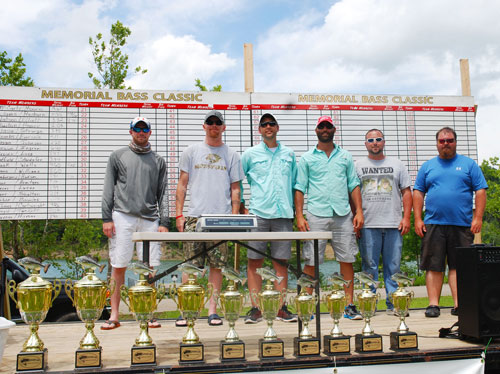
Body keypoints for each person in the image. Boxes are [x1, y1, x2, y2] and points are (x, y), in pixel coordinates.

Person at [175, 110, 243, 326]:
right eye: (210, 122)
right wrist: (179, 214)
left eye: (218, 123)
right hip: (195, 218)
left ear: (224, 127)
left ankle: (213, 311)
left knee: (217, 266)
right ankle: (188, 310)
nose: (214, 126)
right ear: (203, 126)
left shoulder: (232, 155)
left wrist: (234, 219)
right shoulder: (191, 151)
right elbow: (182, 185)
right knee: (190, 266)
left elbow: (235, 189)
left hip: (220, 219)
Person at [101, 117, 168, 330]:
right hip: (122, 216)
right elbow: (108, 189)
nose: (141, 132)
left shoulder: (158, 161)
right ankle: (114, 314)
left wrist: (164, 222)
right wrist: (106, 218)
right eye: (137, 128)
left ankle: (147, 313)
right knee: (118, 265)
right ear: (130, 131)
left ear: (150, 132)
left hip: (150, 219)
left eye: (144, 128)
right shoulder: (117, 156)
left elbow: (163, 194)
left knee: (150, 268)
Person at [294, 115, 364, 320]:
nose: (325, 129)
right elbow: (299, 187)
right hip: (316, 214)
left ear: (334, 129)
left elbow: (353, 184)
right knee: (311, 260)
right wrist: (299, 215)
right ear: (316, 131)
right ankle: (307, 306)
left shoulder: (345, 156)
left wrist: (359, 211)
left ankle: (349, 306)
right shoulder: (307, 158)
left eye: (328, 126)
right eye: (321, 126)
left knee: (347, 259)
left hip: (343, 214)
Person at [414, 126, 487, 318]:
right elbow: (418, 192)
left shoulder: (469, 165)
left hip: (462, 224)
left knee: (459, 266)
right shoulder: (427, 166)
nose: (446, 143)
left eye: (449, 140)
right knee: (433, 265)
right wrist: (418, 218)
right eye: (442, 141)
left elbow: (480, 191)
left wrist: (477, 217)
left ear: (455, 142)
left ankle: (459, 304)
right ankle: (433, 305)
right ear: (437, 143)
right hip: (433, 223)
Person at [241, 113, 298, 324]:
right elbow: (237, 179)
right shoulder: (249, 154)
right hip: (258, 214)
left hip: (283, 214)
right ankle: (255, 308)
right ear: (259, 130)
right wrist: (241, 207)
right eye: (264, 124)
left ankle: (281, 307)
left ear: (277, 127)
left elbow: (295, 185)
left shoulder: (290, 154)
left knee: (280, 262)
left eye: (271, 123)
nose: (268, 127)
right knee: (254, 261)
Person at [355, 129, 412, 315]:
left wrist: (406, 217)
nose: (375, 143)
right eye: (370, 140)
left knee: (393, 266)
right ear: (365, 144)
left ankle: (394, 304)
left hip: (393, 224)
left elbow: (406, 192)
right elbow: (353, 194)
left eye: (378, 139)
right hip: (368, 224)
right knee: (369, 266)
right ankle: (368, 304)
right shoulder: (358, 165)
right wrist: (355, 217)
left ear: (384, 142)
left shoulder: (397, 164)